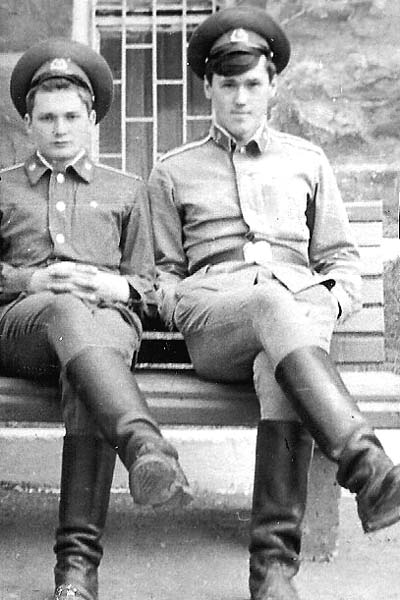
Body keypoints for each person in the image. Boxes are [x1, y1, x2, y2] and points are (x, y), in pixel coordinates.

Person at [147, 7, 400, 600]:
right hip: (217, 321)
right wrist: (182, 299)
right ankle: (367, 466)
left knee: (277, 366)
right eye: (227, 85)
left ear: (273, 85)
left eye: (252, 84)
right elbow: (160, 274)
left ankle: (273, 572)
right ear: (207, 87)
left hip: (295, 326)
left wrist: (330, 303)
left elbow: (340, 260)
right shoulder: (173, 171)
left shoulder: (308, 161)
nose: (240, 98)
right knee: (268, 302)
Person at [0, 38, 191, 600]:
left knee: (88, 373)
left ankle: (76, 574)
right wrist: (29, 281)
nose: (60, 129)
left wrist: (113, 286)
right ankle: (143, 446)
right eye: (47, 118)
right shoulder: (3, 187)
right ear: (28, 123)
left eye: (71, 117)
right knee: (64, 309)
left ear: (91, 120)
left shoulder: (127, 190)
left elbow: (151, 283)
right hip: (24, 329)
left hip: (106, 327)